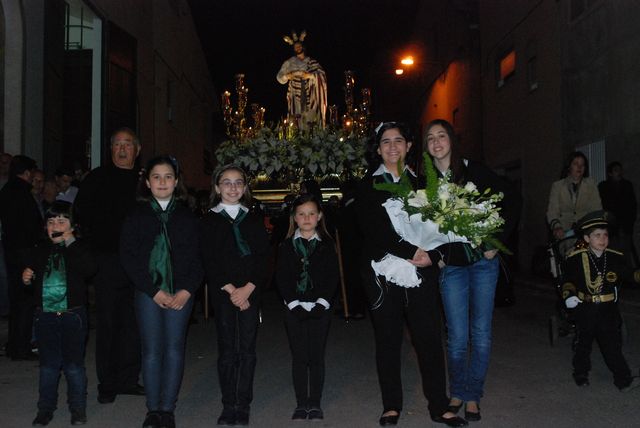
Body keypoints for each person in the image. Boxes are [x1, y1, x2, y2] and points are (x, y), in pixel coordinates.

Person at [355, 122, 467, 427]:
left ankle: (439, 406)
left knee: (429, 340)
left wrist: (434, 255)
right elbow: (373, 230)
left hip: (421, 273)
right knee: (388, 341)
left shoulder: (424, 183)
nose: (393, 147)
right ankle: (391, 405)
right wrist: (410, 252)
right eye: (386, 142)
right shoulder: (367, 186)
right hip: (384, 273)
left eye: (398, 141)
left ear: (408, 147)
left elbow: (442, 226)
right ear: (378, 150)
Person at [425, 119, 519, 422]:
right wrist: (435, 253)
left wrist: (497, 240)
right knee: (456, 335)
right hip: (451, 267)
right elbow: (421, 227)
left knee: (480, 332)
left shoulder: (473, 169)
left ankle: (473, 394)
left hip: (482, 262)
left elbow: (513, 199)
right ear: (426, 147)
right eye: (430, 138)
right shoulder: (425, 182)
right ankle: (457, 392)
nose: (437, 142)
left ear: (452, 139)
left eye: (442, 136)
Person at [120, 156, 203, 428]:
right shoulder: (136, 215)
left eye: (168, 176)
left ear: (177, 181)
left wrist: (187, 290)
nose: (163, 182)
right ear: (147, 182)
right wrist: (152, 290)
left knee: (174, 349)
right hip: (148, 292)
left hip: (181, 291)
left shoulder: (187, 217)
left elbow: (198, 258)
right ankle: (153, 409)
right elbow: (129, 257)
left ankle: (168, 409)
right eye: (156, 177)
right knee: (152, 350)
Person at [74, 127, 144, 403]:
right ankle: (108, 383)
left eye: (128, 144)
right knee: (108, 323)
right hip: (108, 260)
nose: (122, 149)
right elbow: (81, 211)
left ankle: (129, 379)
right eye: (117, 144)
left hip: (139, 263)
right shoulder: (97, 178)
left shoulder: (144, 181)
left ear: (137, 150)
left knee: (134, 323)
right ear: (111, 149)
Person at [200, 165, 269, 426]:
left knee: (248, 349)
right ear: (217, 188)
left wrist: (249, 287)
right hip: (224, 292)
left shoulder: (252, 217)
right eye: (226, 183)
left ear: (245, 187)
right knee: (228, 350)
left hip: (250, 291)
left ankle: (244, 403)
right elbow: (209, 259)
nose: (232, 187)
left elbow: (263, 256)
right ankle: (229, 404)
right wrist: (231, 289)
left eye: (238, 182)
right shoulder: (209, 220)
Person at [22, 201, 97, 426]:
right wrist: (28, 277)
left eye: (62, 221)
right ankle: (45, 408)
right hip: (44, 315)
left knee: (74, 365)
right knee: (48, 366)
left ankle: (77, 408)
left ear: (73, 226)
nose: (56, 225)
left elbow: (91, 269)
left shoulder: (79, 248)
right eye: (51, 221)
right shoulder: (39, 249)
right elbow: (32, 280)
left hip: (73, 314)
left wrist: (70, 242)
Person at [275, 194, 338, 421]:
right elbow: (281, 277)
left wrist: (322, 303)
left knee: (316, 356)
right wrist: (293, 304)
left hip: (320, 308)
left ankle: (315, 403)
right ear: (295, 218)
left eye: (311, 213)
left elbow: (332, 277)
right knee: (300, 356)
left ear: (319, 216)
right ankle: (302, 403)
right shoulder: (286, 245)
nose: (307, 217)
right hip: (294, 308)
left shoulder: (327, 245)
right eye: (301, 214)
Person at [561, 211, 640, 391]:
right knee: (583, 343)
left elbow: (628, 273)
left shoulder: (613, 257)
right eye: (597, 235)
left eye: (605, 235)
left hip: (607, 309)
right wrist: (569, 295)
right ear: (587, 238)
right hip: (586, 308)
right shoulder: (576, 258)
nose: (602, 239)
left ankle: (623, 380)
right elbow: (568, 281)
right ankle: (580, 373)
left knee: (612, 345)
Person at [0, 155, 43, 360]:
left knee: (16, 298)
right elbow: (32, 224)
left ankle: (13, 344)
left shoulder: (6, 191)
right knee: (26, 300)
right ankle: (22, 346)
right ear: (27, 173)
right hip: (26, 250)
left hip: (10, 249)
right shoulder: (23, 194)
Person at [547, 151, 602, 254]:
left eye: (582, 164)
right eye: (576, 163)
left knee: (583, 257)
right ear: (569, 166)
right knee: (567, 259)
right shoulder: (557, 186)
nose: (579, 167)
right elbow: (552, 211)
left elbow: (596, 209)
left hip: (585, 233)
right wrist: (557, 227)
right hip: (564, 234)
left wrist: (592, 229)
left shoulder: (591, 184)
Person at [276, 31, 327, 128]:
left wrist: (310, 76)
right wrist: (287, 76)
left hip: (310, 92)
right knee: (296, 117)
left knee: (310, 118)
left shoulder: (311, 61)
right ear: (293, 49)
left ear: (303, 47)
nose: (298, 48)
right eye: (296, 47)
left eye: (299, 46)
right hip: (295, 92)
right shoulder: (290, 62)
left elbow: (322, 75)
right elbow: (279, 77)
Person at [598, 161, 638, 268]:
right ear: (610, 173)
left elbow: (632, 206)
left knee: (626, 253)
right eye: (616, 170)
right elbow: (602, 207)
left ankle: (628, 279)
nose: (619, 173)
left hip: (625, 226)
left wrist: (630, 223)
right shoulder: (603, 187)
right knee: (612, 253)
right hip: (611, 227)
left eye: (620, 170)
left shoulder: (627, 185)